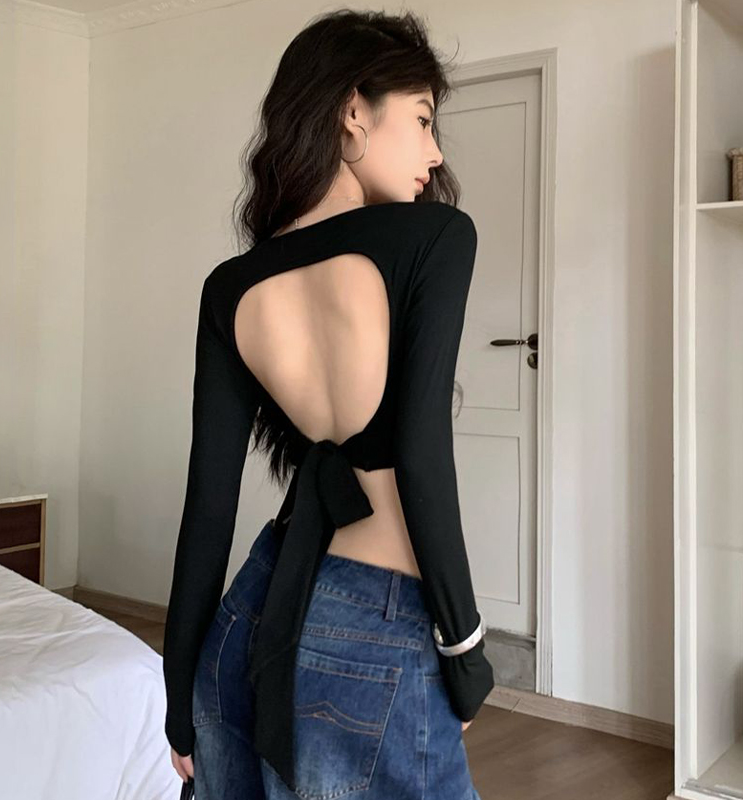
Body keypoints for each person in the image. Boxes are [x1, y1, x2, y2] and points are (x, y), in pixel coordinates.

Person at [162, 8, 495, 799]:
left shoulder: (232, 286)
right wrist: (465, 646)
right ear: (353, 112)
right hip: (374, 624)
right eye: (423, 119)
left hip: (251, 612)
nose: (436, 151)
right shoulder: (435, 237)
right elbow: (420, 456)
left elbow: (208, 505)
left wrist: (178, 695)